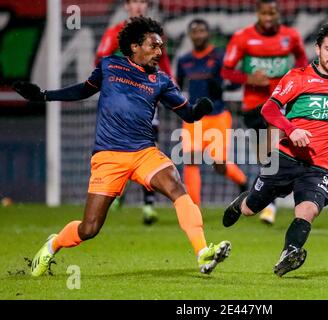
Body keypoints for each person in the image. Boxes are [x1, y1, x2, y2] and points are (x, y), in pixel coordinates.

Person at [14, 17, 231, 277]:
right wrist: (43, 95)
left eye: (161, 47)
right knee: (89, 229)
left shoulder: (161, 80)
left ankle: (202, 251)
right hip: (108, 157)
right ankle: (54, 242)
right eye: (154, 46)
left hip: (143, 153)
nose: (159, 52)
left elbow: (188, 114)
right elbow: (84, 90)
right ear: (134, 46)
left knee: (176, 187)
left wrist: (199, 111)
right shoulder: (109, 66)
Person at [222, 22, 328, 277]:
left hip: (319, 166)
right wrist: (292, 129)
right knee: (252, 209)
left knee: (308, 210)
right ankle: (241, 203)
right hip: (285, 158)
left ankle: (288, 254)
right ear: (317, 49)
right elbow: (268, 109)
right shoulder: (298, 78)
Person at [221, 0, 308, 225]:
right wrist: (248, 78)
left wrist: (295, 75)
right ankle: (268, 198)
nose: (269, 18)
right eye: (264, 14)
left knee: (274, 151)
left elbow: (302, 60)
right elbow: (226, 70)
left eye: (273, 13)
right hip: (253, 105)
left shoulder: (291, 36)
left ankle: (270, 204)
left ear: (278, 14)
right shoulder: (242, 37)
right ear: (258, 14)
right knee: (264, 157)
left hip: (280, 103)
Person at [96, 0, 173, 224]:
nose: (138, 6)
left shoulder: (155, 37)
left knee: (148, 147)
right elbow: (99, 62)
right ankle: (117, 189)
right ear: (127, 7)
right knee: (122, 148)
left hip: (145, 99)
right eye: (133, 2)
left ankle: (148, 205)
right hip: (120, 102)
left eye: (142, 2)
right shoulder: (114, 33)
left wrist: (171, 91)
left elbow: (165, 66)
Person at [177, 19, 248, 206]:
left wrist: (226, 82)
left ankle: (242, 182)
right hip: (193, 118)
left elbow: (235, 79)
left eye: (202, 31)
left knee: (219, 163)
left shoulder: (219, 57)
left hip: (218, 116)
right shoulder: (184, 61)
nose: (198, 35)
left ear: (208, 34)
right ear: (190, 35)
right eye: (195, 31)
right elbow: (176, 86)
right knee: (191, 161)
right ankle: (194, 207)